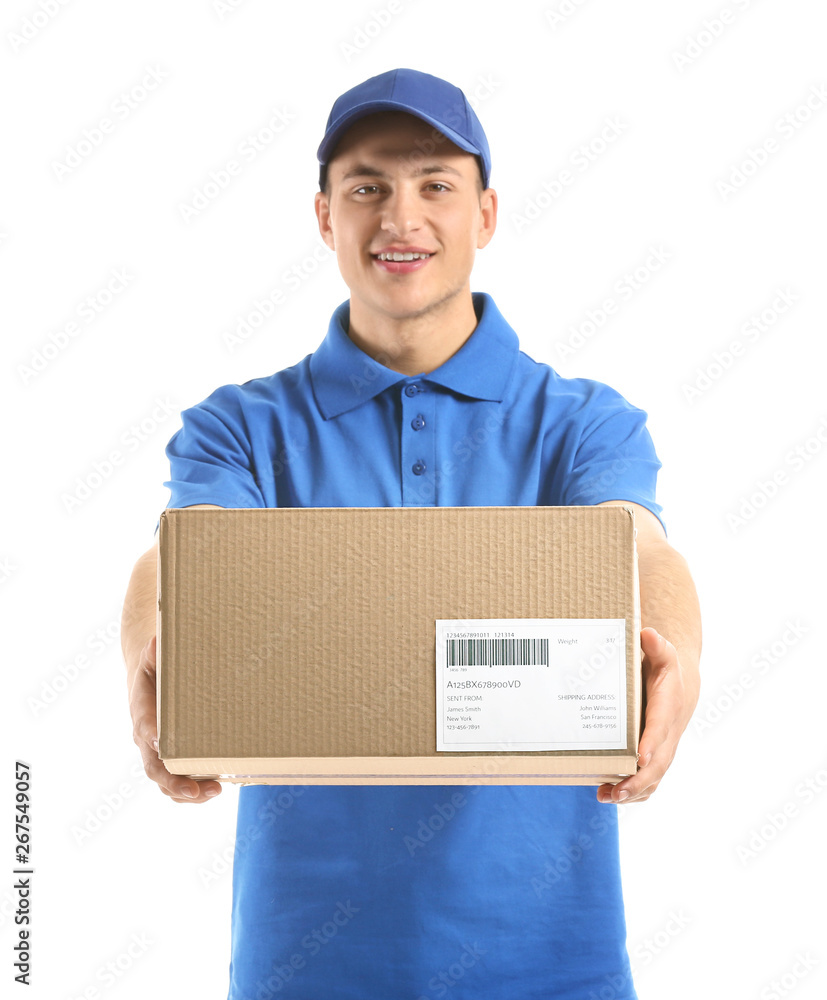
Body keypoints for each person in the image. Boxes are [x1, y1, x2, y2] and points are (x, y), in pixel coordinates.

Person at [121, 68, 701, 999]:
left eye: (435, 184)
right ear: (323, 216)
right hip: (307, 960)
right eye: (366, 188)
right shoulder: (242, 426)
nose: (401, 217)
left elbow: (633, 543)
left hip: (554, 961)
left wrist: (684, 659)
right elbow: (190, 552)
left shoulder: (581, 421)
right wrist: (153, 650)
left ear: (486, 213)